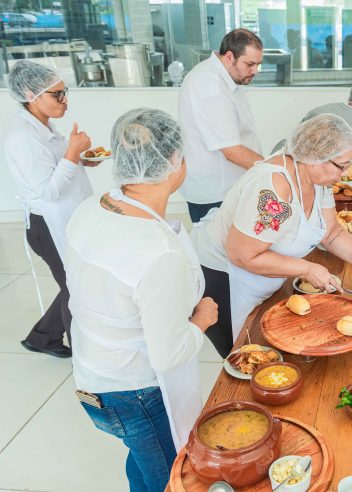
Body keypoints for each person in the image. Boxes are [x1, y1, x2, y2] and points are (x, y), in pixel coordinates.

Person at [66, 108, 218, 491]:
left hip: (94, 375)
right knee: (168, 478)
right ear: (173, 162)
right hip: (135, 392)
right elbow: (169, 354)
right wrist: (201, 318)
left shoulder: (94, 206)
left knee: (141, 458)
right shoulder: (156, 253)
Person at [194, 114, 352, 356]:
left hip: (262, 276)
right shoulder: (274, 187)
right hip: (229, 280)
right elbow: (243, 256)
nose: (344, 174)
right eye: (341, 165)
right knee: (246, 356)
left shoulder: (318, 180)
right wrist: (307, 269)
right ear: (315, 158)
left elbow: (331, 231)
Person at [4, 60, 96, 358]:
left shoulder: (43, 126)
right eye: (57, 94)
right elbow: (48, 192)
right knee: (75, 290)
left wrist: (81, 157)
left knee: (76, 282)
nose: (64, 100)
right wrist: (71, 153)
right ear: (31, 94)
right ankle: (84, 363)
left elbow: (57, 171)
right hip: (49, 227)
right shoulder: (22, 138)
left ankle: (42, 338)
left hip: (70, 219)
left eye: (64, 92)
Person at [178, 29, 265, 222]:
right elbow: (231, 150)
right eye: (250, 64)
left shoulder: (228, 74)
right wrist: (274, 171)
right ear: (229, 57)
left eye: (258, 64)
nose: (255, 71)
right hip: (216, 193)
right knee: (219, 250)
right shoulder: (212, 89)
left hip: (228, 186)